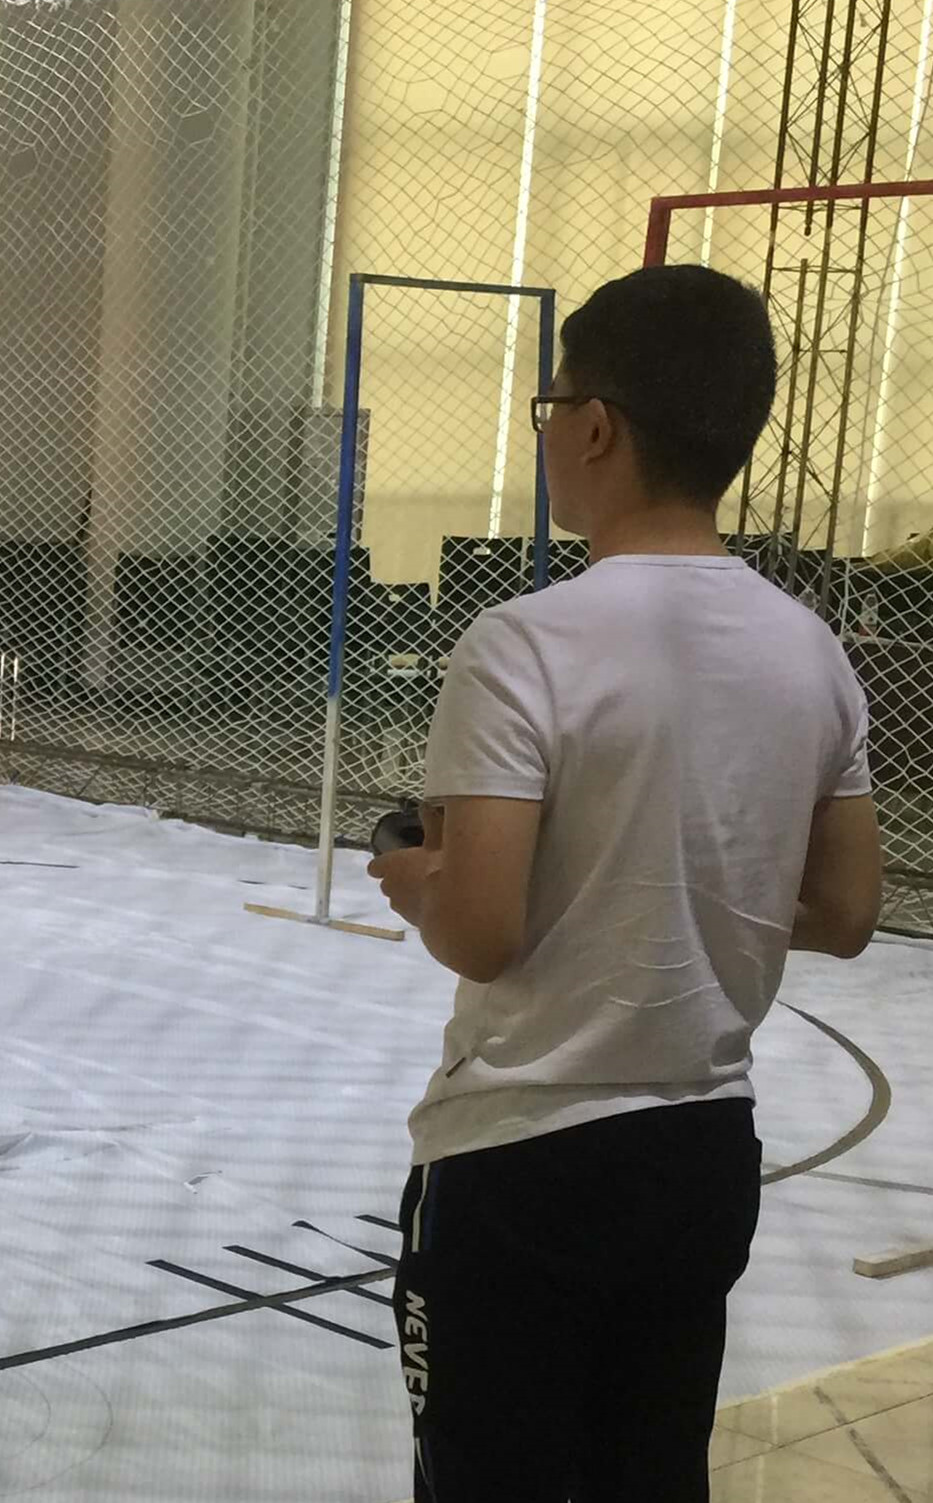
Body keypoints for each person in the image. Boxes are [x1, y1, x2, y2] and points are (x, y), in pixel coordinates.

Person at [367, 264, 884, 1502]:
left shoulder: (523, 644)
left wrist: (415, 876)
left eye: (552, 405)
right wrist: (680, 883)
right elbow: (848, 913)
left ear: (596, 425)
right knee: (649, 1469)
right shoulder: (810, 651)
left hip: (522, 1156)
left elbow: (482, 932)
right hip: (701, 1148)